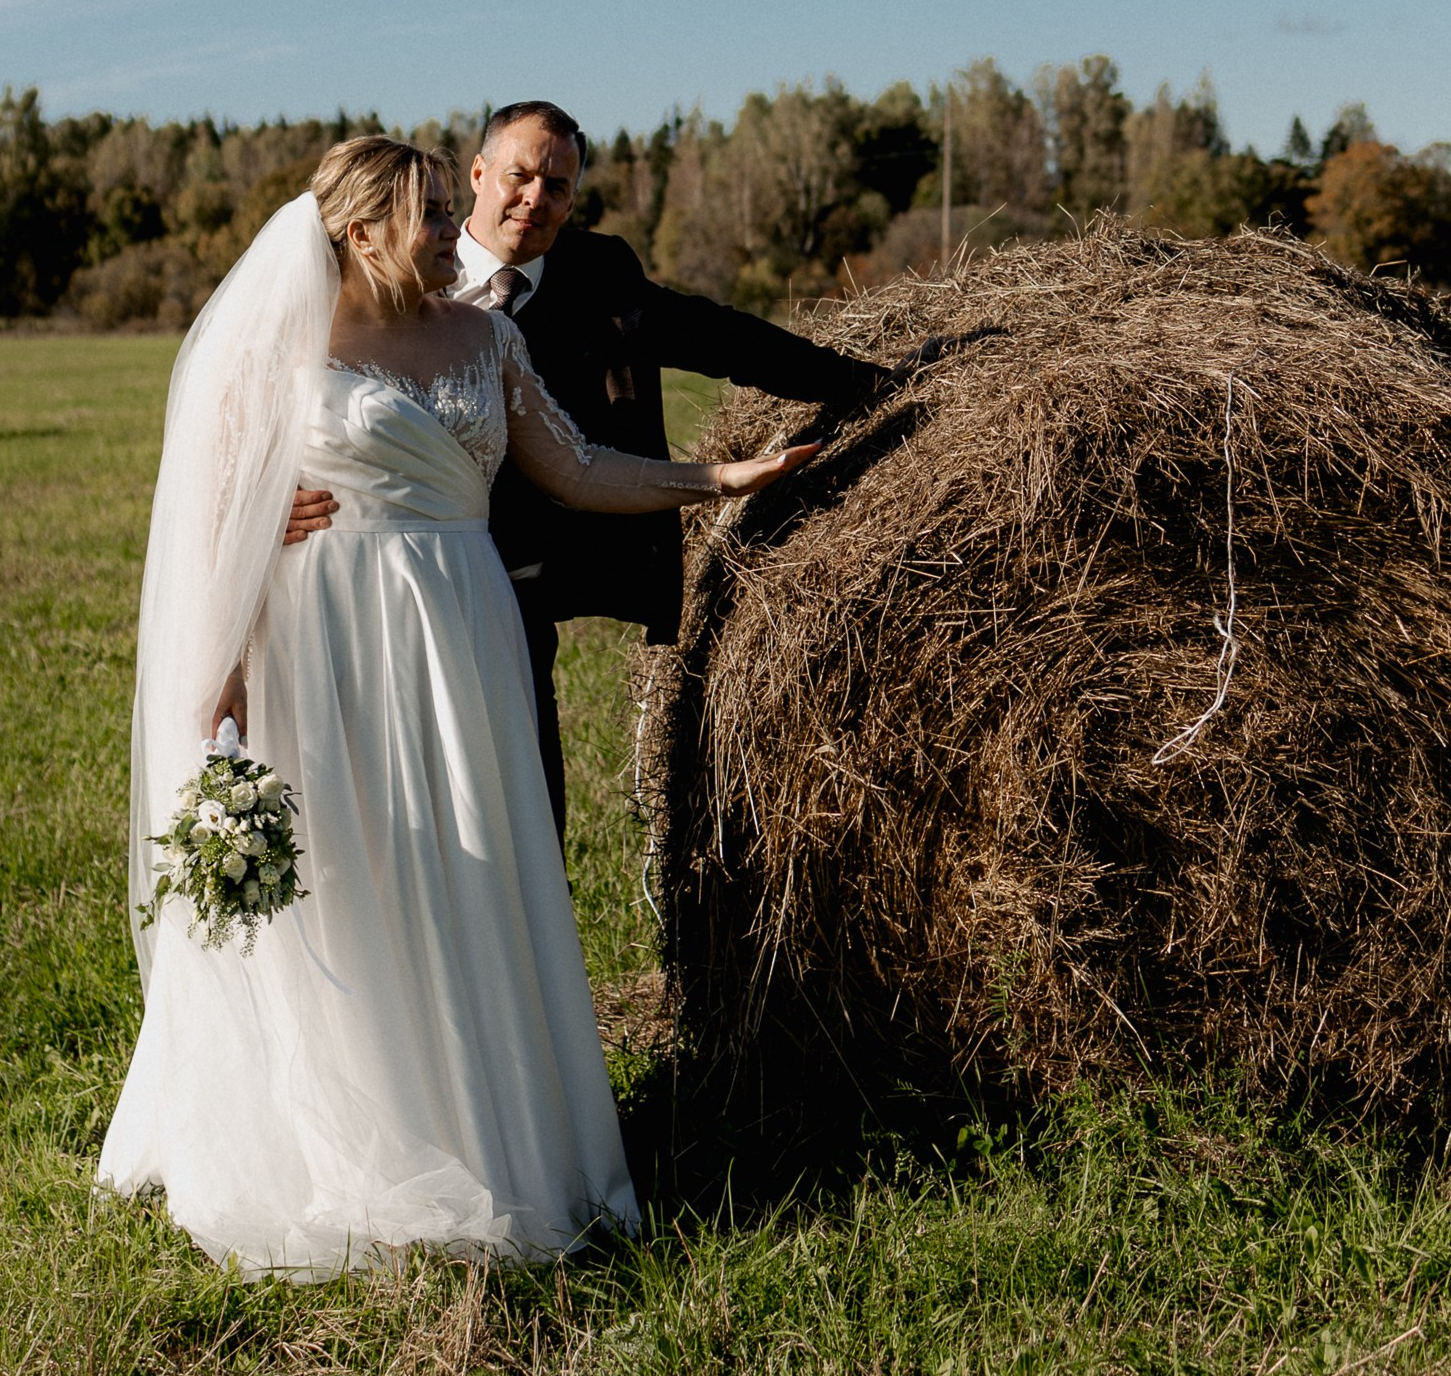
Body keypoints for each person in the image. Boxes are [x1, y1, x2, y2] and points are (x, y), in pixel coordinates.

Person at [96, 135, 816, 1278]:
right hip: (327, 639)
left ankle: (494, 1132)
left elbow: (575, 469)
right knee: (357, 868)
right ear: (359, 228)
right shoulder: (277, 344)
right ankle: (357, 1127)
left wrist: (713, 482)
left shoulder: (489, 335)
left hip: (463, 630)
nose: (452, 232)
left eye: (446, 208)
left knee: (473, 860)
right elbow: (209, 523)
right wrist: (220, 683)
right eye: (430, 215)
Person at [284, 101, 889, 837]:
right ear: (480, 173)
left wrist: (867, 385)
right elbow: (264, 438)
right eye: (520, 175)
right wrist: (264, 506)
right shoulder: (344, 298)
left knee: (520, 806)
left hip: (511, 586)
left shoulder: (597, 277)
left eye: (559, 186)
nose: (536, 198)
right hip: (358, 588)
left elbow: (718, 338)